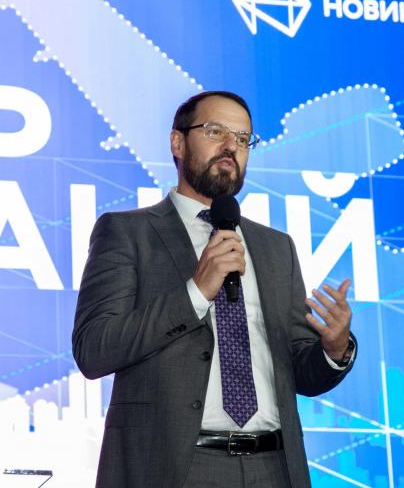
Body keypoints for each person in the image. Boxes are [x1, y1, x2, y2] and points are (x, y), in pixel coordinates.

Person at [72, 90, 358, 487]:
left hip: (273, 467)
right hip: (176, 468)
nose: (230, 146)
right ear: (177, 142)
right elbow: (95, 349)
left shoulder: (276, 248)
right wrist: (195, 292)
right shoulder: (127, 233)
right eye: (215, 131)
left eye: (242, 138)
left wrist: (334, 350)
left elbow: (302, 374)